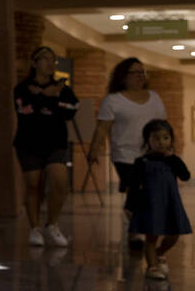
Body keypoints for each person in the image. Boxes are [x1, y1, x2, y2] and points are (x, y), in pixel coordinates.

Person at [86, 57, 165, 247]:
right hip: (124, 154)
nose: (140, 76)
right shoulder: (113, 100)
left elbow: (163, 126)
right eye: (135, 72)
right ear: (123, 77)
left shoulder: (154, 97)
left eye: (142, 72)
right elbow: (102, 128)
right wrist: (94, 150)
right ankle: (136, 232)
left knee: (145, 193)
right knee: (135, 189)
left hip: (150, 154)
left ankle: (134, 226)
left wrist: (167, 148)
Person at [13, 46, 79, 246]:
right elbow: (26, 110)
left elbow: (70, 110)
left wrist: (45, 97)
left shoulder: (63, 89)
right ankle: (34, 229)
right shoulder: (22, 88)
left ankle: (52, 224)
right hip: (28, 142)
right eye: (45, 59)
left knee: (60, 182)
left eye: (53, 60)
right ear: (34, 63)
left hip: (56, 143)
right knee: (34, 185)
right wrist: (47, 97)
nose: (50, 64)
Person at [124, 119, 190, 279]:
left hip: (170, 204)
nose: (161, 142)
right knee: (151, 236)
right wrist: (130, 206)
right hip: (150, 205)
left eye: (165, 138)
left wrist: (174, 159)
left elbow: (185, 176)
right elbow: (133, 186)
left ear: (171, 140)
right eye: (156, 138)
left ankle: (160, 253)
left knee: (173, 235)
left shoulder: (172, 161)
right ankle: (152, 267)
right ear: (148, 141)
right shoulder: (142, 162)